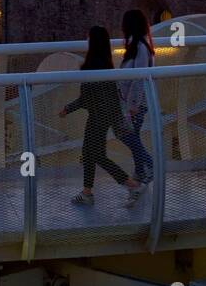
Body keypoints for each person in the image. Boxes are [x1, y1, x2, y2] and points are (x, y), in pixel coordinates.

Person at [59, 26, 144, 207]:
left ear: (93, 42)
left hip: (98, 117)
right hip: (105, 116)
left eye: (89, 38)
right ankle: (87, 192)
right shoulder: (105, 63)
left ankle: (132, 185)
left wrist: (68, 108)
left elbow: (86, 99)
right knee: (90, 154)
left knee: (96, 155)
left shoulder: (92, 66)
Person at [118, 9, 156, 187]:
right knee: (133, 136)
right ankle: (140, 171)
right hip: (133, 103)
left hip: (135, 105)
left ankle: (150, 165)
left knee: (126, 135)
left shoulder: (140, 47)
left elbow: (139, 77)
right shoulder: (137, 45)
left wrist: (132, 105)